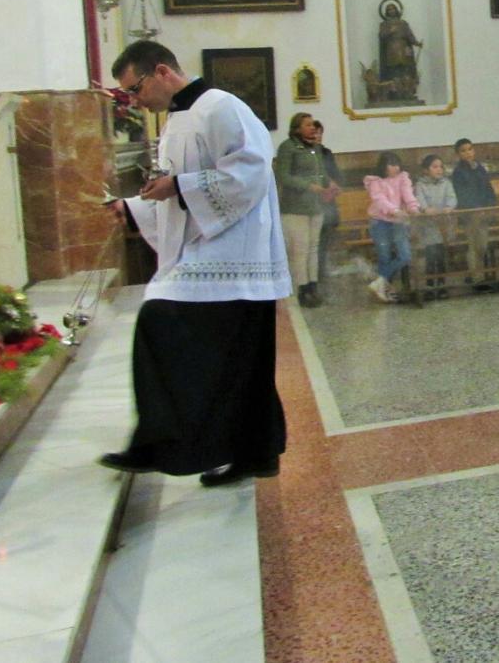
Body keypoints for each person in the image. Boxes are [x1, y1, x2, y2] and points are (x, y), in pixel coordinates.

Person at [98, 40, 290, 486]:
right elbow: (174, 192)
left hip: (235, 253)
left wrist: (179, 186)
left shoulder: (221, 107)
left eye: (136, 88)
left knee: (158, 319)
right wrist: (133, 207)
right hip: (211, 250)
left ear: (162, 71)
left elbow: (251, 171)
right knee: (241, 364)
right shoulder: (177, 120)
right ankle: (254, 454)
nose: (136, 101)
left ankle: (159, 442)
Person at [274, 112, 332, 308]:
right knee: (300, 250)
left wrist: (329, 184)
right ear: (297, 128)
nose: (313, 127)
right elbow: (283, 176)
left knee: (313, 248)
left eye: (313, 124)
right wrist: (308, 186)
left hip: (315, 206)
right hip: (295, 208)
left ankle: (313, 286)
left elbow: (321, 173)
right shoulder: (288, 148)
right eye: (308, 124)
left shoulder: (314, 148)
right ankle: (302, 289)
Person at [364, 152, 420, 303]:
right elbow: (379, 200)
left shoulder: (403, 178)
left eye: (397, 164)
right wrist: (394, 211)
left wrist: (413, 207)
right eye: (391, 164)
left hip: (399, 222)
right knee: (384, 257)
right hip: (379, 222)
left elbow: (408, 194)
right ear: (383, 166)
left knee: (405, 255)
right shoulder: (375, 181)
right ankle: (384, 290)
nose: (395, 168)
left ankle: (379, 282)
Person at [451, 138, 497, 288]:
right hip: (470, 214)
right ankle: (477, 278)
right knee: (473, 245)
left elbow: (488, 188)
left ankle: (478, 274)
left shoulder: (480, 168)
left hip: (484, 212)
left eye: (470, 149)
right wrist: (474, 209)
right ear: (458, 154)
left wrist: (489, 206)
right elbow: (462, 194)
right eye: (463, 150)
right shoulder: (458, 172)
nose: (468, 153)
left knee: (482, 245)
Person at [414, 154, 457, 299]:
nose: (439, 169)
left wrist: (449, 207)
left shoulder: (447, 183)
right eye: (435, 167)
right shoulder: (420, 184)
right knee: (430, 255)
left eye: (440, 166)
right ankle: (430, 285)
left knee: (441, 255)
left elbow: (452, 198)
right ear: (426, 170)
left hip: (444, 225)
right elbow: (419, 200)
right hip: (428, 226)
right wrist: (426, 209)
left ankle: (442, 285)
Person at [307, 121, 343, 286]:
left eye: (320, 133)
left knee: (323, 241)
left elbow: (336, 174)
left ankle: (321, 273)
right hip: (311, 203)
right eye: (315, 133)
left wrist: (335, 184)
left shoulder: (326, 153)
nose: (318, 136)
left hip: (328, 203)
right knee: (311, 243)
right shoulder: (303, 153)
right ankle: (312, 276)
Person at [377, 0, 422, 100]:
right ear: (386, 12)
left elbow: (409, 35)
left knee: (406, 71)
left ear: (397, 10)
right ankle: (395, 93)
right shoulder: (384, 24)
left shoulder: (403, 23)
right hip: (391, 50)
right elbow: (381, 36)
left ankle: (407, 92)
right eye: (389, 9)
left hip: (404, 49)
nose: (391, 11)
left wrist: (416, 43)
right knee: (394, 72)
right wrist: (389, 31)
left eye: (393, 9)